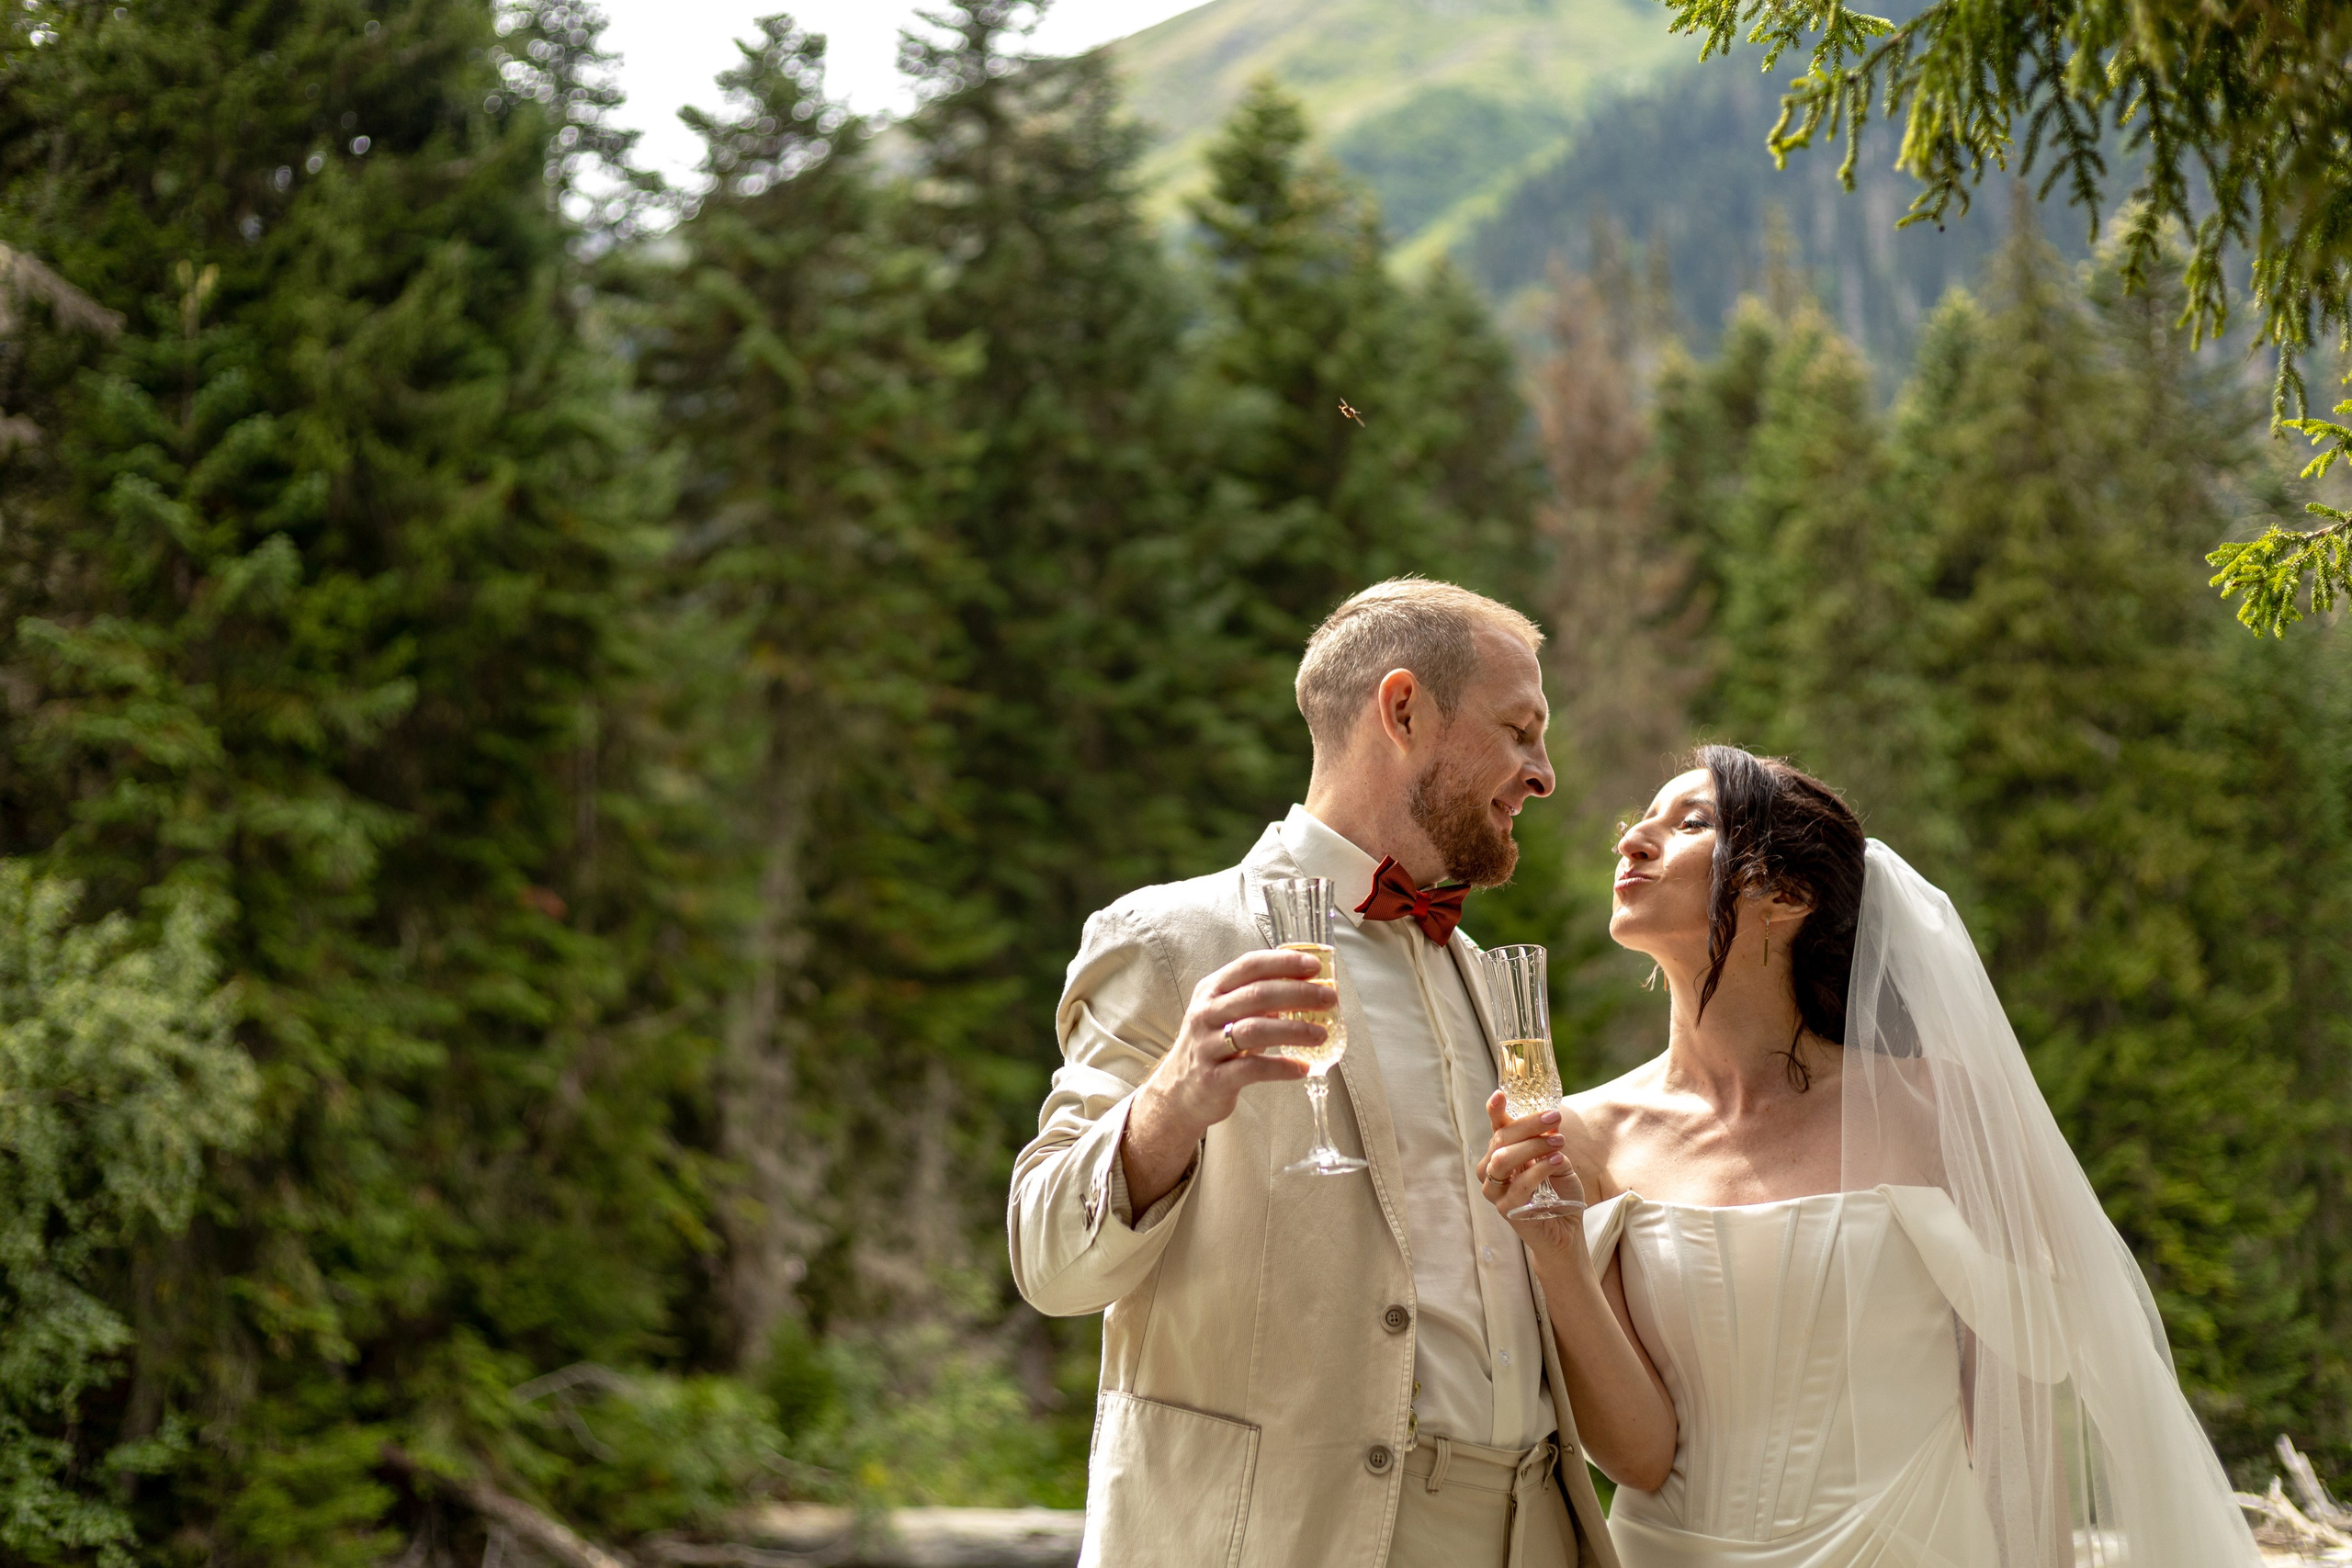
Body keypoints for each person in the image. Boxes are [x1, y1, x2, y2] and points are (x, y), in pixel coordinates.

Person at [1478, 745, 2265, 1568]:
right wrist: (1557, 1254)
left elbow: (2014, 1428)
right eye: (1637, 821)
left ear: (1786, 895)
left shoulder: (1934, 1108)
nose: (1632, 841)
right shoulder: (1584, 1135)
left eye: (1691, 822)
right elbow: (1639, 1456)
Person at [1008, 579, 1618, 1568]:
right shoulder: (1167, 941)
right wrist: (1170, 1104)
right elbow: (1047, 1261)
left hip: (1530, 1535)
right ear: (1404, 709)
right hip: (1290, 1535)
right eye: (1518, 731)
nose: (1541, 774)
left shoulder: (1485, 975)